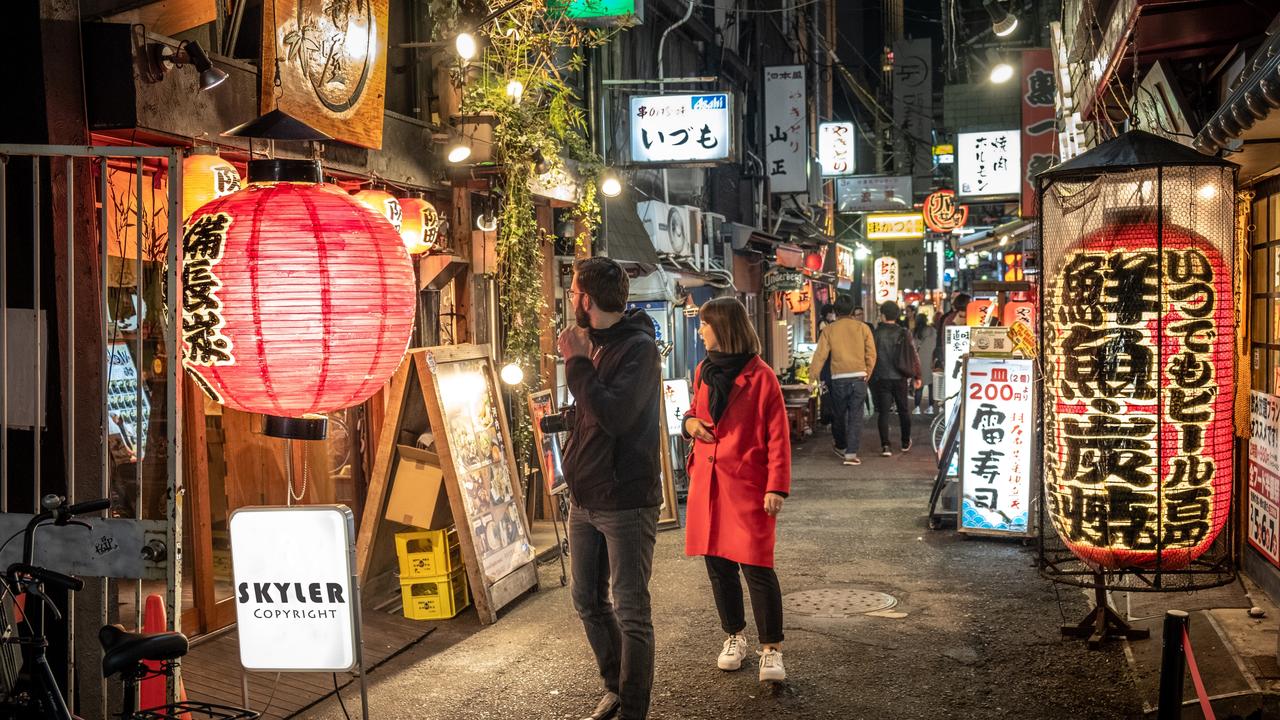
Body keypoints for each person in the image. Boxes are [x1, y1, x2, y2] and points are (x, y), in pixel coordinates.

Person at [558, 257, 663, 720]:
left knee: (632, 610)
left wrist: (577, 363)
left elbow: (617, 416)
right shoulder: (597, 344)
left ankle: (634, 709)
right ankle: (616, 685)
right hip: (585, 499)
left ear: (588, 299)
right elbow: (593, 414)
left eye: (575, 291)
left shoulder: (638, 349)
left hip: (624, 500)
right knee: (587, 599)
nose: (570, 300)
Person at [682, 297, 792, 684]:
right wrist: (690, 424)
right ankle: (734, 636)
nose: (700, 330)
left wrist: (776, 486)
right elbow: (695, 413)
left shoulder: (761, 377)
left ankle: (771, 649)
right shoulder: (703, 370)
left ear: (723, 328)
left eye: (705, 324)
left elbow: (778, 436)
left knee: (757, 567)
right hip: (707, 484)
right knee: (719, 566)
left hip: (746, 484)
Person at [809, 294, 877, 465]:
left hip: (838, 378)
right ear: (853, 310)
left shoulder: (829, 330)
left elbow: (820, 355)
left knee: (839, 415)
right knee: (855, 417)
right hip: (859, 377)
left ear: (836, 311)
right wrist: (866, 373)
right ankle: (851, 454)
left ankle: (840, 445)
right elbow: (871, 354)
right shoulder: (863, 328)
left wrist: (812, 378)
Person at [870, 301, 921, 457]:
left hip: (881, 376)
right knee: (903, 410)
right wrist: (917, 375)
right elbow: (913, 355)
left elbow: (871, 355)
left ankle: (886, 446)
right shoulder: (904, 332)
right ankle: (905, 442)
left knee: (884, 412)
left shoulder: (876, 333)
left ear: (883, 315)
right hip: (900, 377)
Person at [912, 314, 937, 414]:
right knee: (931, 386)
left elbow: (912, 347)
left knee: (919, 385)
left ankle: (917, 408)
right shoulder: (933, 330)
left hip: (919, 362)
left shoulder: (915, 332)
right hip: (931, 361)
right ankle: (931, 407)